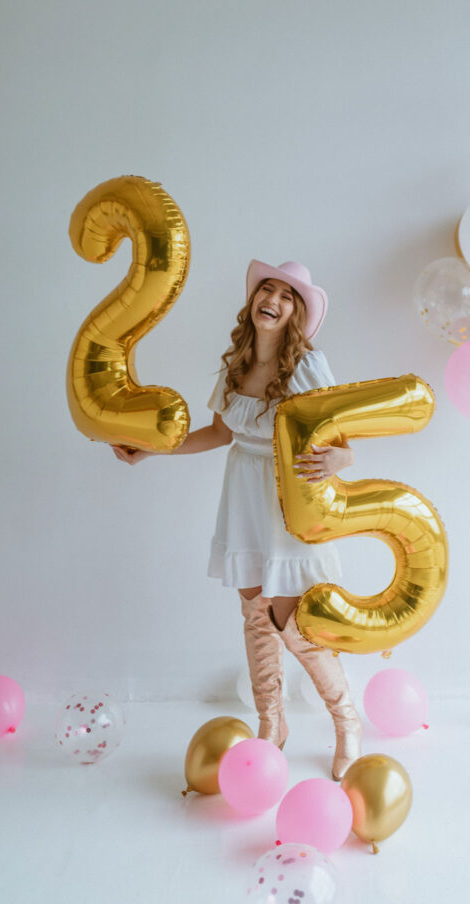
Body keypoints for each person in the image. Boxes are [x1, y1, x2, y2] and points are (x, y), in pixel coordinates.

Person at [113, 259, 362, 780]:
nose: (272, 298)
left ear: (296, 313)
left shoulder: (309, 367)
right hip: (244, 497)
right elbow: (220, 434)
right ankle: (271, 722)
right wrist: (153, 449)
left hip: (286, 500)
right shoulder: (237, 364)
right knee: (255, 618)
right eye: (265, 289)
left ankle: (347, 721)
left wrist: (340, 460)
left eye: (287, 295)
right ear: (253, 302)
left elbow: (342, 440)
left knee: (294, 624)